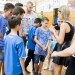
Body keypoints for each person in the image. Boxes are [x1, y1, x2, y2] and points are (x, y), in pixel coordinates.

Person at [49, 5, 74, 75]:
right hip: (67, 47)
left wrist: (53, 31)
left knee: (57, 71)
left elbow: (60, 41)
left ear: (62, 13)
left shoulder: (64, 24)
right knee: (58, 70)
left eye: (58, 13)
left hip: (61, 48)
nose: (58, 15)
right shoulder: (71, 23)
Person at [0, 3, 14, 75]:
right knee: (0, 61)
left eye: (12, 12)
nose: (11, 14)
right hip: (1, 44)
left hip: (7, 44)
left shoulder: (9, 19)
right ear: (5, 10)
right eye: (10, 12)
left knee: (5, 61)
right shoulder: (0, 18)